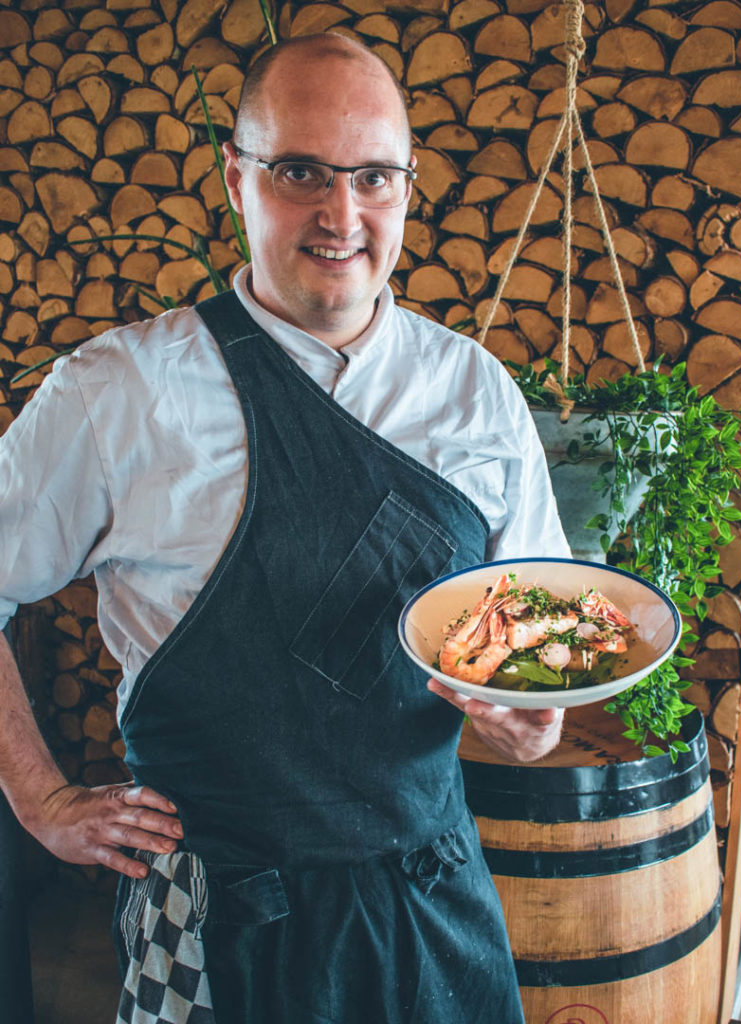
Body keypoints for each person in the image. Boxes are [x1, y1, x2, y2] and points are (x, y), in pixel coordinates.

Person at [0, 33, 570, 1024]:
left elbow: (537, 642)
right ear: (238, 177)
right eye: (300, 171)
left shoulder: (477, 396)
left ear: (408, 185)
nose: (340, 214)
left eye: (373, 177)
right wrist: (39, 796)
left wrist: (533, 718)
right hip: (214, 927)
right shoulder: (119, 392)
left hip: (431, 911)